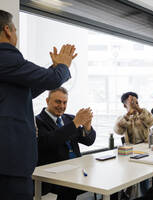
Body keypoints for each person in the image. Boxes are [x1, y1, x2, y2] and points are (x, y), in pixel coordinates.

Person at [0, 10, 77, 200]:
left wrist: (53, 69)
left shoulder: (7, 68)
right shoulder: (5, 56)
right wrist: (63, 66)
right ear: (8, 30)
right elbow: (51, 80)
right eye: (16, 30)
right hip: (10, 162)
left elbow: (26, 89)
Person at [35, 87, 96, 199]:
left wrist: (87, 127)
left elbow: (89, 141)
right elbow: (49, 142)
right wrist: (75, 124)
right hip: (53, 176)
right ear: (47, 101)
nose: (62, 106)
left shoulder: (70, 119)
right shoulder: (37, 121)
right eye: (58, 102)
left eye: (65, 102)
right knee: (71, 189)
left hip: (76, 170)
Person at [114, 92, 153, 198]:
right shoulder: (122, 118)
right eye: (131, 102)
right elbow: (118, 130)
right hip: (130, 153)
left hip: (145, 152)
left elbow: (152, 121)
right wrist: (128, 113)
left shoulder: (143, 114)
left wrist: (139, 109)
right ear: (124, 105)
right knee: (130, 179)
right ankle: (129, 195)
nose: (134, 104)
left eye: (136, 102)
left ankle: (145, 196)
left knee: (144, 178)